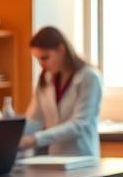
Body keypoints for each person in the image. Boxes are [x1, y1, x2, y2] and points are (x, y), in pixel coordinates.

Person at [21, 27, 102, 156]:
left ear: (61, 49)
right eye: (38, 59)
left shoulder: (89, 77)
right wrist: (13, 133)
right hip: (55, 157)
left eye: (45, 57)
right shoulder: (45, 78)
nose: (41, 64)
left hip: (81, 155)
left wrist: (35, 139)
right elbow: (35, 118)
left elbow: (79, 123)